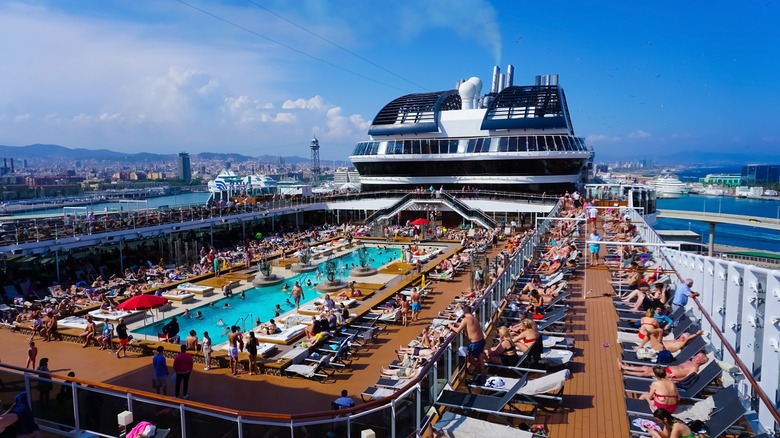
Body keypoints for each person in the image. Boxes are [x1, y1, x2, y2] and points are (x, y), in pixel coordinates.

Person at [448, 304, 487, 385]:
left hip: (475, 343)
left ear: (463, 312)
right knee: (480, 358)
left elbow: (458, 330)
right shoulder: (474, 318)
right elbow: (468, 325)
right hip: (481, 341)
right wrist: (457, 323)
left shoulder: (465, 320)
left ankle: (479, 369)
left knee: (470, 359)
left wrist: (451, 326)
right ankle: (483, 374)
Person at [619, 352, 709, 380]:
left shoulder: (694, 368)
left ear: (700, 361)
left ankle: (626, 372)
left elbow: (685, 378)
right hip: (667, 369)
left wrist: (672, 380)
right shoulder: (690, 362)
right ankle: (625, 367)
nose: (695, 356)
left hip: (669, 375)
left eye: (697, 356)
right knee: (646, 368)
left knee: (647, 373)